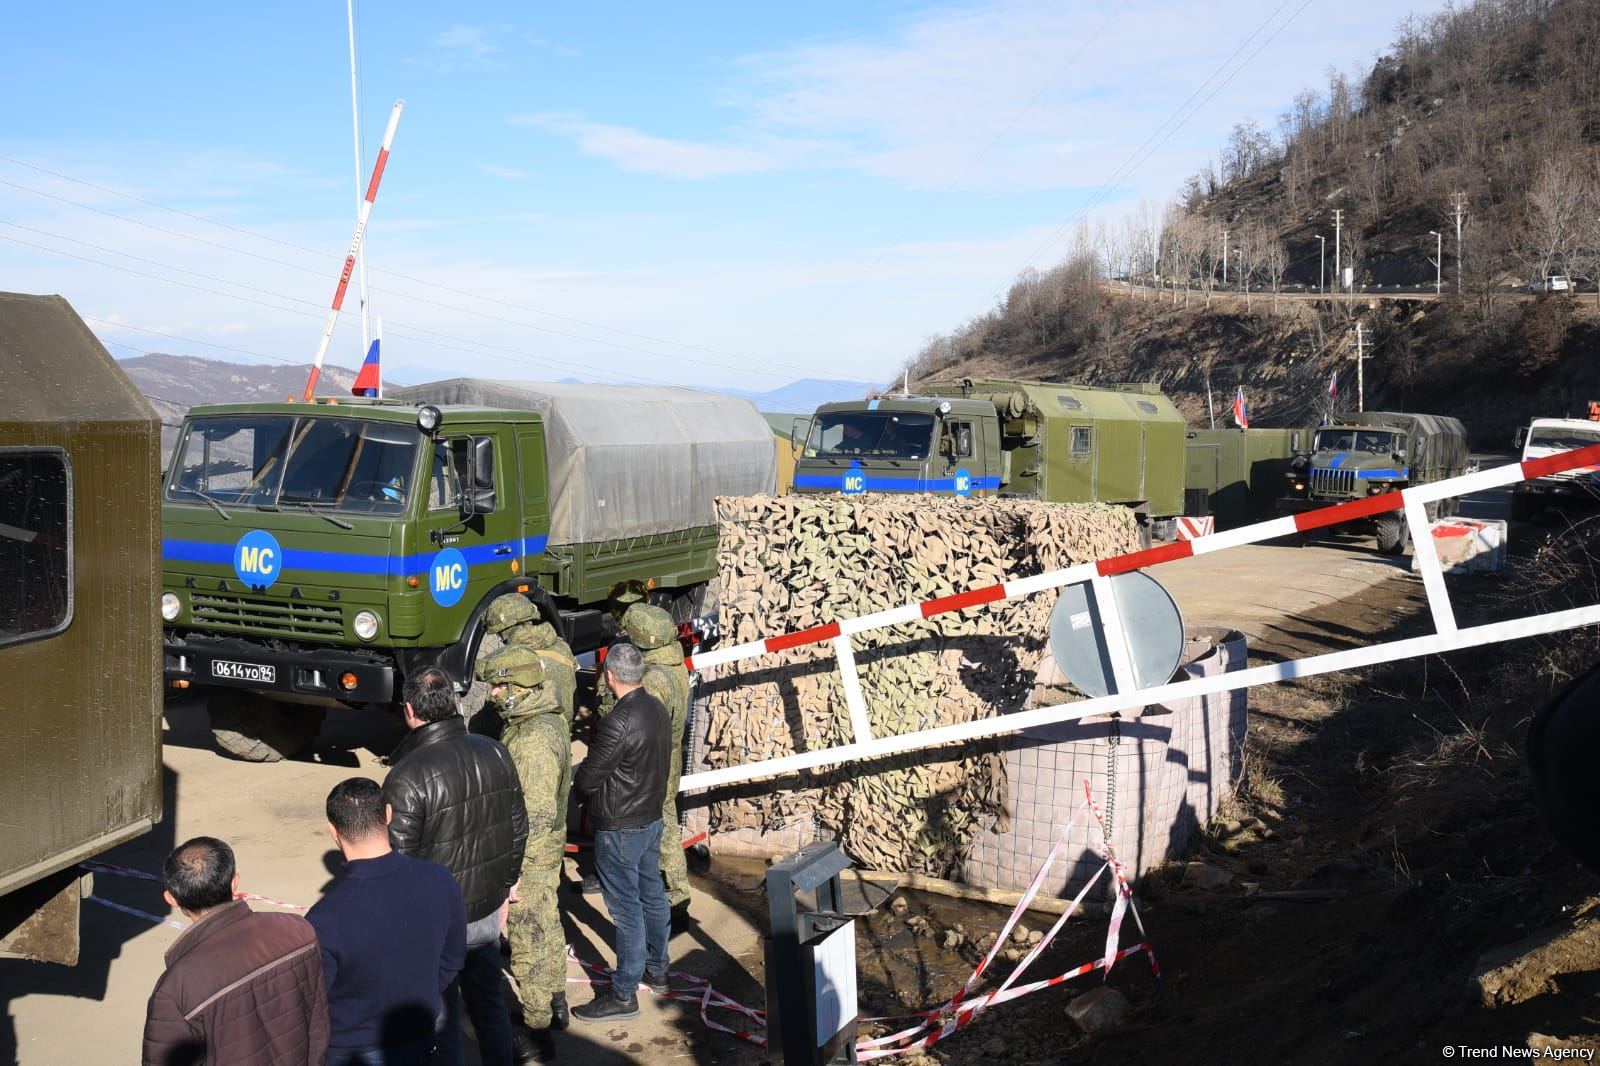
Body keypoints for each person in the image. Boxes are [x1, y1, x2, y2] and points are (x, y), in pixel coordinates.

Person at [384, 667, 528, 1066]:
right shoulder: (495, 750)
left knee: (442, 1019)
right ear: (452, 702)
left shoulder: (406, 775)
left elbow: (398, 860)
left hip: (435, 920)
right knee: (488, 1005)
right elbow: (519, 825)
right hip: (485, 905)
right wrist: (507, 882)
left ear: (410, 710)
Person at [307, 778, 467, 1066]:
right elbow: (452, 958)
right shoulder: (439, 880)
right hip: (419, 1036)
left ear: (333, 831)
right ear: (389, 814)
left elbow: (315, 1001)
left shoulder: (324, 918)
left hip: (351, 1048)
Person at [142, 837, 329, 1066]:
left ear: (171, 898)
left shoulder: (177, 988)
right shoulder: (299, 932)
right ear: (235, 883)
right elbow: (318, 1027)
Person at [477, 647, 571, 1064]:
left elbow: (534, 814)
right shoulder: (545, 718)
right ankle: (555, 1002)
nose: (494, 693)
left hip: (531, 856)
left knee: (528, 937)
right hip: (546, 849)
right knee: (547, 924)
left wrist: (512, 873)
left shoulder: (532, 740)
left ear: (519, 687)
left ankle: (536, 1033)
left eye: (500, 685)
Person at [570, 642, 672, 1023]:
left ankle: (623, 993)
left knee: (627, 910)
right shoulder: (656, 708)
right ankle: (658, 969)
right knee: (652, 895)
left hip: (620, 827)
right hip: (650, 819)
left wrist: (577, 795)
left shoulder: (619, 720)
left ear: (609, 676)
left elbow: (591, 774)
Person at [617, 604, 693, 923]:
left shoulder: (654, 679)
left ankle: (675, 898)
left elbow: (644, 727)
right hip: (669, 758)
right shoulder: (674, 665)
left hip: (653, 765)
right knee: (666, 822)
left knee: (661, 830)